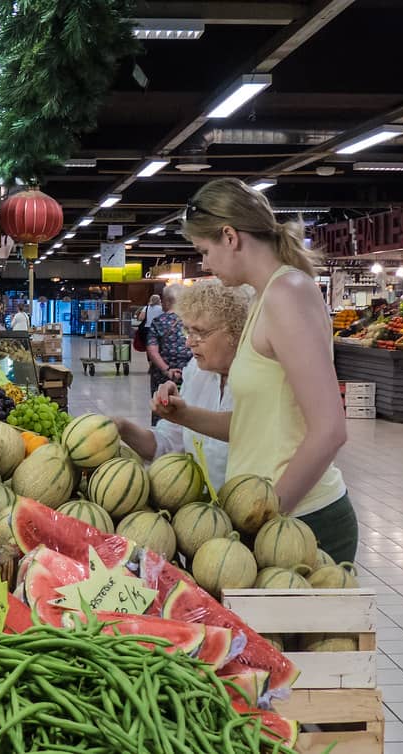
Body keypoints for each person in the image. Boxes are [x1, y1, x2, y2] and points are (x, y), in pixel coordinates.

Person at [155, 177, 357, 564]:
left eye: (205, 250)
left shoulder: (287, 294)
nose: (205, 263)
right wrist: (185, 415)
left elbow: (330, 430)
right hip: (270, 516)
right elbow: (259, 423)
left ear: (230, 236)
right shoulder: (265, 298)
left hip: (301, 521)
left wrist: (269, 517)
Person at [114, 282, 251, 489]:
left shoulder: (261, 383)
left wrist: (184, 415)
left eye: (200, 333)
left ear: (236, 331)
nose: (189, 343)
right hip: (199, 511)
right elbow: (168, 445)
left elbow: (246, 430)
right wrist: (122, 428)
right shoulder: (196, 373)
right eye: (188, 332)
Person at [146, 285, 193, 425]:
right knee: (188, 405)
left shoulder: (159, 322)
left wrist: (167, 370)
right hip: (190, 372)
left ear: (166, 301)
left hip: (163, 375)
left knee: (161, 406)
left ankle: (161, 439)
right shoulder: (192, 321)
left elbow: (152, 351)